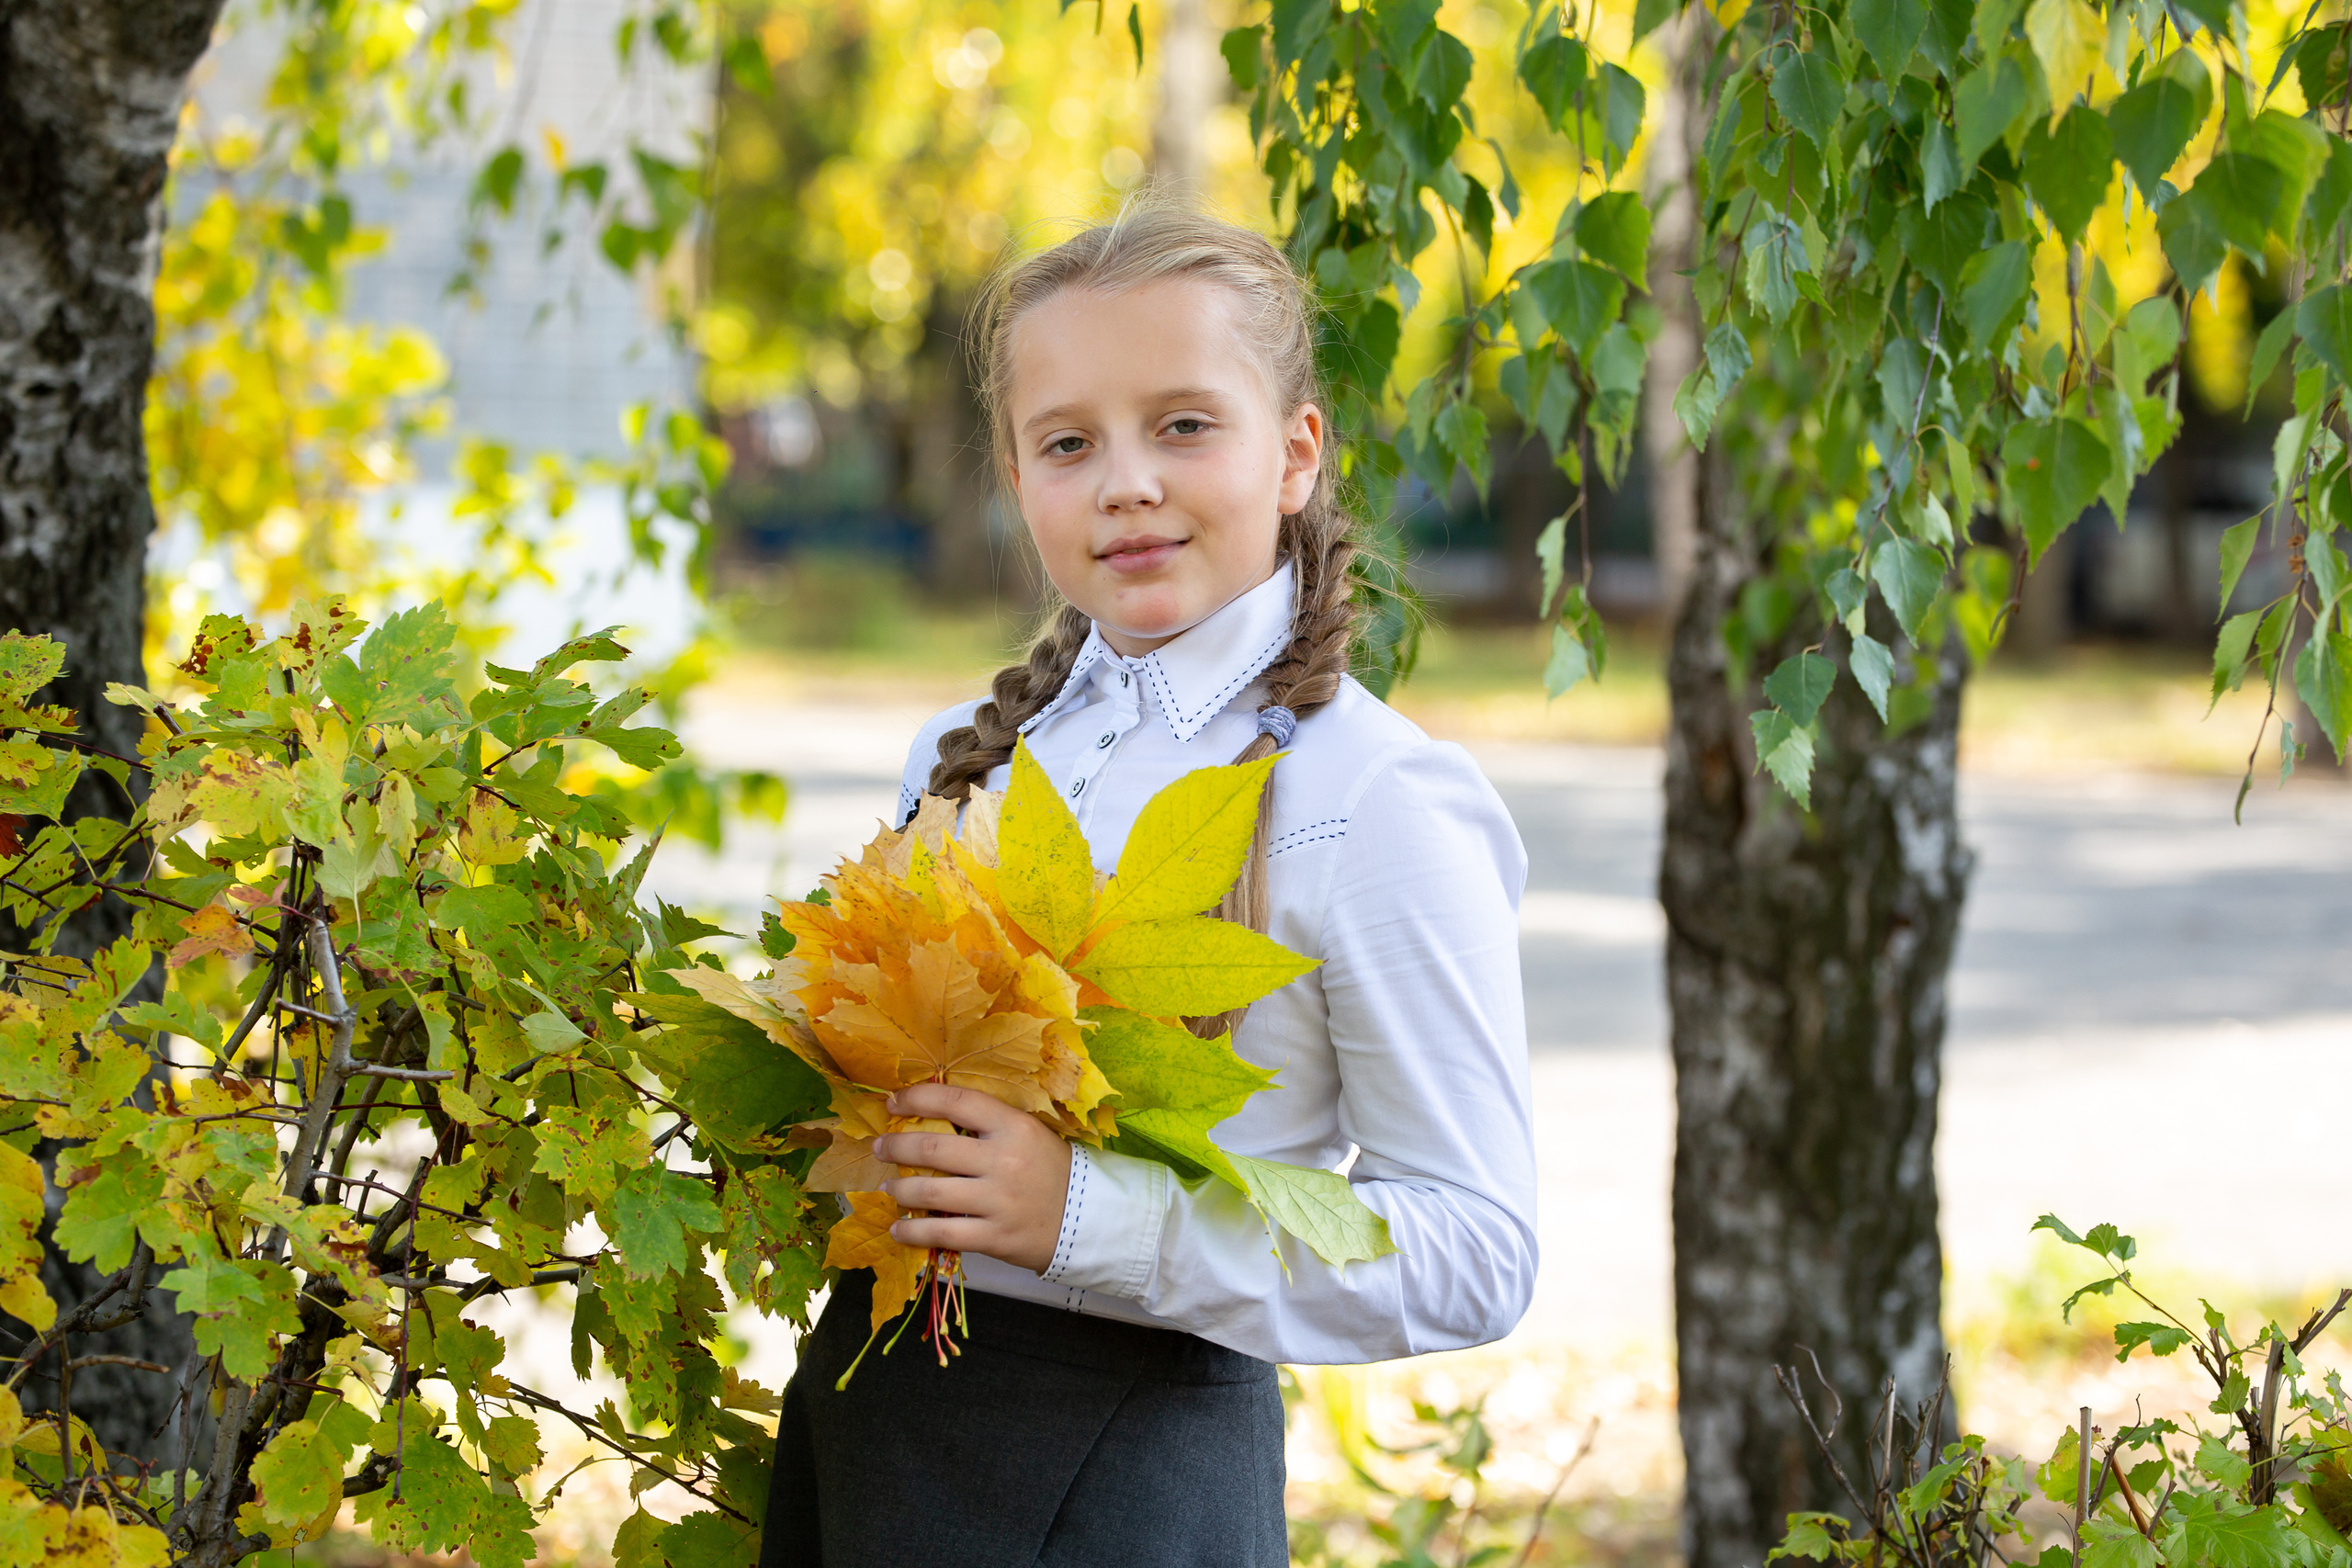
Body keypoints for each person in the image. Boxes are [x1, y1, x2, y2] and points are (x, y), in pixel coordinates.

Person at [762, 201, 1538, 1567]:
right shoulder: (955, 757)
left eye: (1184, 425)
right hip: (878, 1428)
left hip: (1134, 1468)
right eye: (1068, 443)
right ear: (1016, 477)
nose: (1125, 481)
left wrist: (1088, 1221)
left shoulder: (1371, 799)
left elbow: (1477, 1245)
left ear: (1296, 452)